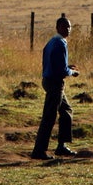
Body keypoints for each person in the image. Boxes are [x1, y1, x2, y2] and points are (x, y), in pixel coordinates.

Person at [31, 16, 79, 160]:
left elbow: (52, 62)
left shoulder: (52, 42)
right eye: (65, 27)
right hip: (55, 83)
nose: (68, 30)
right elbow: (62, 70)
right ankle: (39, 150)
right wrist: (72, 72)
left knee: (66, 111)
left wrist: (66, 68)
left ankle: (61, 146)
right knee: (49, 117)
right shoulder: (59, 43)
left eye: (69, 27)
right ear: (58, 27)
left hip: (48, 79)